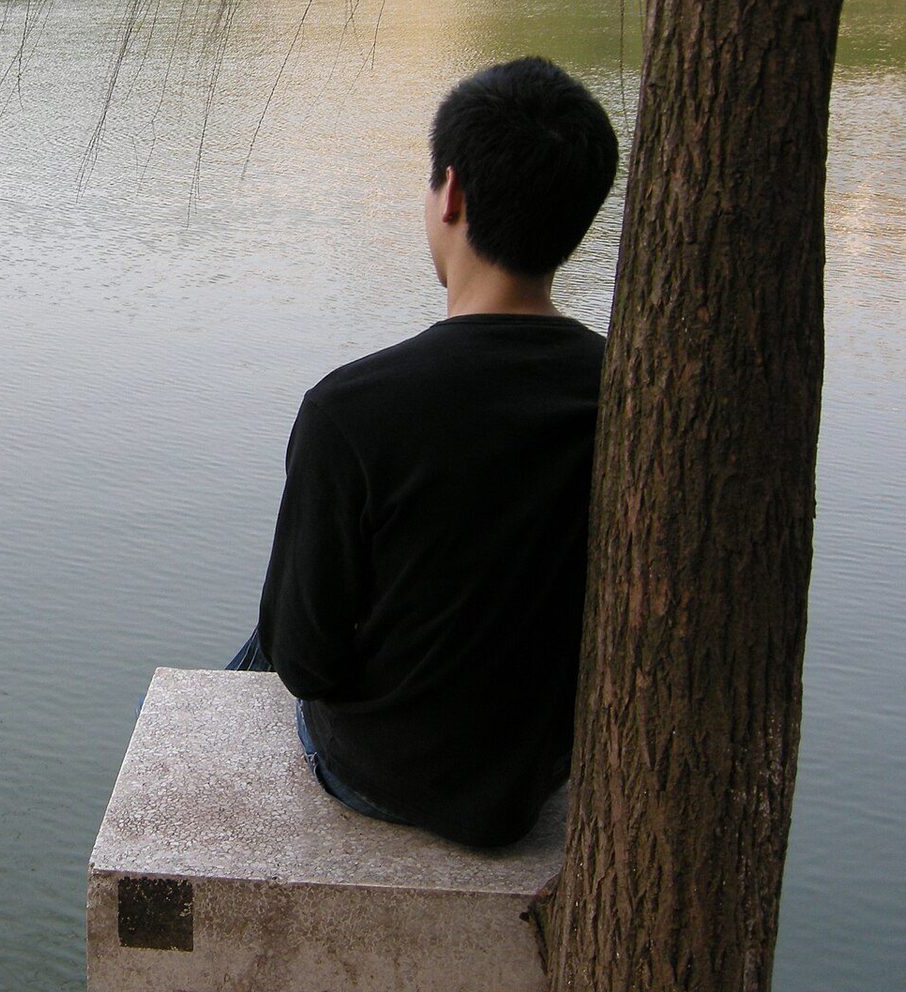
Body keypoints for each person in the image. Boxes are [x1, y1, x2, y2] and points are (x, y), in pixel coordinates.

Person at [230, 57, 619, 849]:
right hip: (537, 766)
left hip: (390, 775)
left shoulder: (352, 410)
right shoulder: (626, 392)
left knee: (255, 650)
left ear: (451, 194)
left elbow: (304, 664)